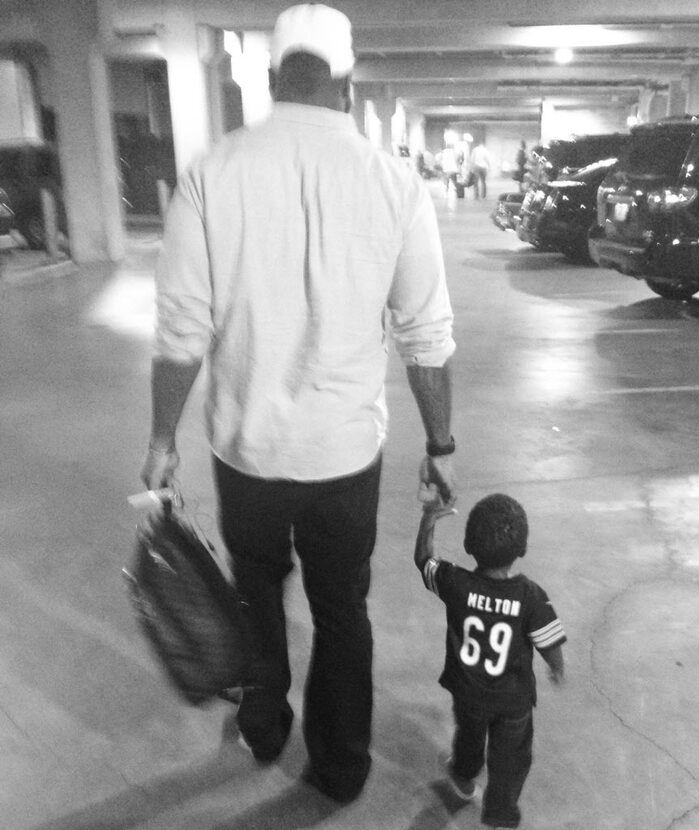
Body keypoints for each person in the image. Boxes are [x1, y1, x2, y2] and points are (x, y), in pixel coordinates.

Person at [140, 2, 457, 805]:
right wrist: (441, 445)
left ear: (273, 77)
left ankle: (264, 727)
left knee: (256, 592)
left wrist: (161, 440)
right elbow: (426, 334)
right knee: (342, 611)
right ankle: (342, 767)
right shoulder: (393, 181)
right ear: (346, 83)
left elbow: (182, 330)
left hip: (246, 452)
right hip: (345, 456)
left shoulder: (212, 172)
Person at [414, 493, 566, 830]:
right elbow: (549, 641)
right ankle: (500, 817)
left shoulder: (455, 583)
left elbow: (424, 560)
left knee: (468, 735)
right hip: (513, 701)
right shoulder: (531, 596)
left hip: (467, 691)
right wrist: (557, 667)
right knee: (511, 759)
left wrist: (428, 519)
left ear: (468, 544)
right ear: (522, 549)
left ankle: (464, 777)